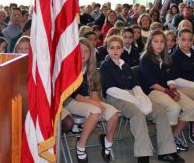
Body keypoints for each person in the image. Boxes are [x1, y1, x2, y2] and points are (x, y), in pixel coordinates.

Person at [100, 35, 183, 163]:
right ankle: (143, 154)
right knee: (137, 113)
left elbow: (136, 85)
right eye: (112, 48)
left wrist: (142, 99)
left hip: (132, 94)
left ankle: (167, 151)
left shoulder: (126, 66)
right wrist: (135, 101)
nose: (115, 51)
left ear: (122, 50)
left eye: (118, 48)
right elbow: (110, 89)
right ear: (108, 50)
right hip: (116, 96)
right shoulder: (105, 66)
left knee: (160, 111)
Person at [64, 38, 119, 163]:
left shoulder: (92, 70)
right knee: (95, 111)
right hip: (70, 101)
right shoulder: (69, 68)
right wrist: (96, 105)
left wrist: (98, 103)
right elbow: (76, 96)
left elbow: (94, 93)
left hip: (88, 100)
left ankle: (107, 142)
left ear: (90, 54)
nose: (83, 54)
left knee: (114, 114)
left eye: (86, 51)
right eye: (80, 51)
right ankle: (80, 145)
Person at [139, 30, 194, 152]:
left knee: (191, 107)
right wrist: (170, 93)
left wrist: (173, 89)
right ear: (150, 43)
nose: (159, 45)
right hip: (151, 92)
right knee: (174, 108)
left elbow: (170, 78)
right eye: (156, 42)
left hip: (166, 89)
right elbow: (152, 83)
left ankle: (172, 136)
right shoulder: (145, 58)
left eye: (162, 42)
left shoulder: (165, 57)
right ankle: (166, 141)